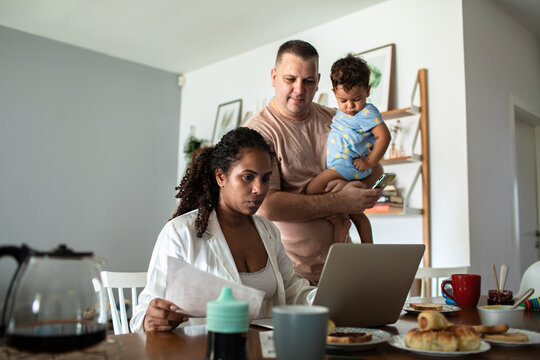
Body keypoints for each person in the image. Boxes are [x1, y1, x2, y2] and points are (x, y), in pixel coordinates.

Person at [130, 127, 315, 332]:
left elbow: (292, 290)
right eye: (248, 177)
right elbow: (144, 311)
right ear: (221, 177)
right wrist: (150, 320)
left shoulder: (268, 231)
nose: (259, 189)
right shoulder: (181, 233)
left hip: (265, 349)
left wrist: (331, 297)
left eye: (265, 178)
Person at [245, 40, 383, 284]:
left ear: (318, 81)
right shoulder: (259, 132)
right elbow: (267, 205)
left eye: (308, 81)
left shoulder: (338, 118)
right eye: (290, 79)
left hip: (343, 272)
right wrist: (340, 201)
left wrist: (356, 187)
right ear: (274, 77)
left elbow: (375, 170)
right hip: (290, 278)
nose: (299, 89)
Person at [306, 54, 391, 244]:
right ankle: (356, 239)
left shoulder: (367, 112)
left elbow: (384, 136)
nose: (350, 106)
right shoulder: (341, 112)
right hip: (342, 166)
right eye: (343, 100)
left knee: (313, 189)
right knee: (356, 214)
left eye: (356, 99)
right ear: (334, 93)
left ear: (368, 91)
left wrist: (369, 161)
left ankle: (340, 213)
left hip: (347, 166)